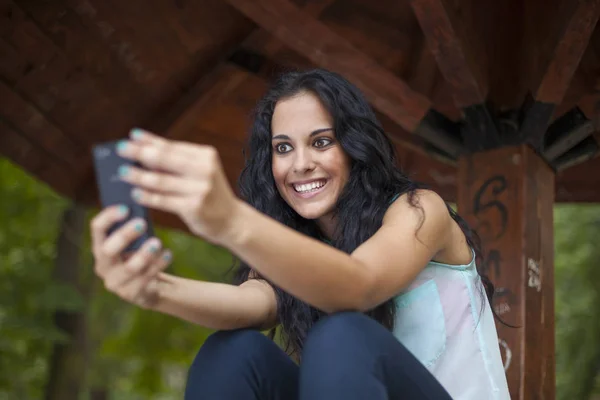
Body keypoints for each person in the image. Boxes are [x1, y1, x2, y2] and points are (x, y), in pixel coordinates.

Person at [91, 69, 510, 399]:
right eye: (284, 148)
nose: (300, 164)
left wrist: (231, 221)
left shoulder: (420, 211)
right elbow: (246, 301)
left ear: (354, 147)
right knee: (233, 353)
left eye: (322, 142)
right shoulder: (299, 252)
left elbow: (358, 284)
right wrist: (154, 288)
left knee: (342, 334)